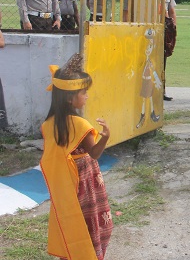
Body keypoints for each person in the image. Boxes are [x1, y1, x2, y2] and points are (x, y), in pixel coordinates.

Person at [39, 53, 113, 260]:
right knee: (92, 223)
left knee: (72, 220)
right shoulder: (80, 125)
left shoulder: (48, 124)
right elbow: (95, 153)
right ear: (70, 98)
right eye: (84, 92)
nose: (87, 96)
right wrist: (106, 136)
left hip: (67, 185)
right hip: (86, 182)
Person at [163, 0, 177, 101]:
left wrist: (173, 29)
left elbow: (172, 11)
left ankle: (161, 90)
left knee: (162, 62)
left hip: (164, 30)